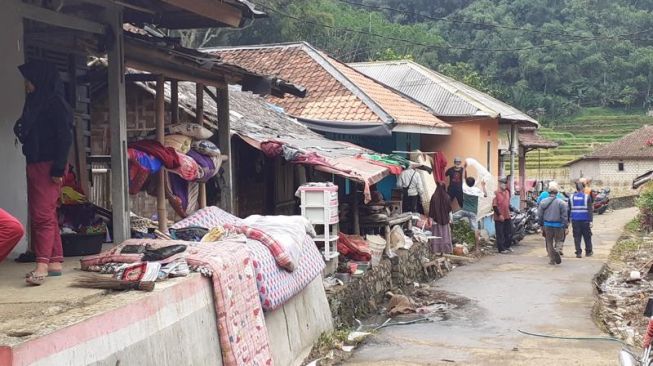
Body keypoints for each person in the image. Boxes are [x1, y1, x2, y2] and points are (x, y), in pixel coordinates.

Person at [14, 60, 73, 285]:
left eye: (29, 80)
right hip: (36, 163)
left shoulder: (55, 103)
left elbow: (65, 138)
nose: (27, 85)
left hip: (49, 165)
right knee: (46, 214)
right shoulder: (36, 102)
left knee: (41, 216)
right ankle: (55, 262)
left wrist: (58, 168)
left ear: (40, 80)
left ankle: (41, 266)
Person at [538, 181, 569, 265]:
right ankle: (558, 251)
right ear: (557, 193)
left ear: (548, 193)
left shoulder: (543, 202)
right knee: (559, 240)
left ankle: (552, 260)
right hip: (558, 225)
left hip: (547, 225)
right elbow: (564, 216)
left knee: (549, 242)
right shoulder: (561, 203)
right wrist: (566, 227)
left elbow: (540, 215)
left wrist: (541, 226)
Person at [455, 172, 488, 250]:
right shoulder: (477, 190)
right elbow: (485, 195)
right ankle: (477, 248)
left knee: (451, 218)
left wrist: (464, 169)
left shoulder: (464, 188)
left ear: (466, 183)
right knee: (475, 230)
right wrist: (483, 186)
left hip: (464, 210)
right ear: (474, 183)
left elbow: (462, 178)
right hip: (473, 212)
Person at [569, 181, 593, 258]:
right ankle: (588, 252)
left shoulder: (571, 197)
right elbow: (590, 210)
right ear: (583, 188)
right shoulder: (587, 197)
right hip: (585, 220)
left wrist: (569, 220)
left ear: (576, 188)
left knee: (577, 236)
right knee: (587, 236)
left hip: (575, 220)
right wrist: (591, 221)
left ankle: (578, 252)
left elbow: (569, 209)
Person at [429, 182, 453, 254]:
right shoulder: (447, 197)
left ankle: (436, 250)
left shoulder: (434, 197)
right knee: (445, 235)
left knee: (437, 235)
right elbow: (449, 210)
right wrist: (451, 219)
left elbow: (431, 210)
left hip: (436, 221)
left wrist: (430, 219)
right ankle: (446, 250)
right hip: (445, 220)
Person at [492, 177, 513, 254]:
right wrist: (499, 215)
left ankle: (507, 246)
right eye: (503, 183)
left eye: (505, 183)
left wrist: (512, 209)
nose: (504, 185)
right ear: (500, 184)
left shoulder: (507, 192)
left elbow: (507, 203)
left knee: (509, 231)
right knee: (500, 233)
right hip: (499, 216)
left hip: (507, 215)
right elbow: (494, 206)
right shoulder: (496, 193)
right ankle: (501, 249)